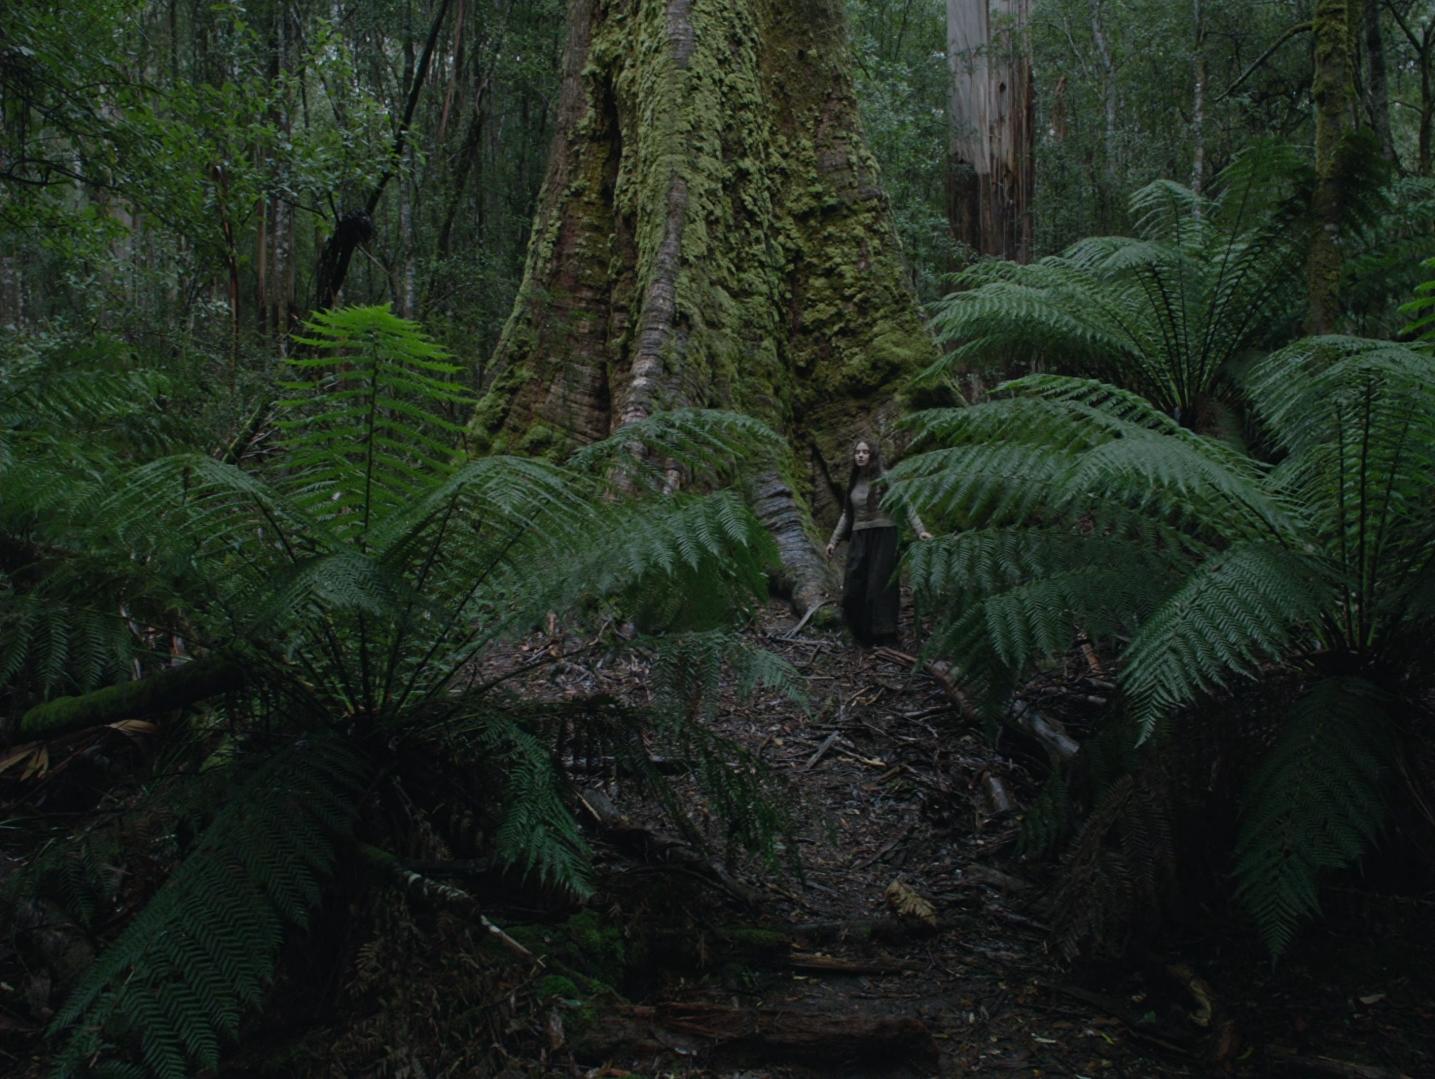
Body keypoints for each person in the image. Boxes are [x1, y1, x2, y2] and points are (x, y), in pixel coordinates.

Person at [824, 439, 931, 646]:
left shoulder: (886, 478)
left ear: (873, 455)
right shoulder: (854, 481)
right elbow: (847, 513)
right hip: (860, 536)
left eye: (865, 452)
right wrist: (833, 542)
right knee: (855, 582)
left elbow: (906, 505)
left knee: (880, 584)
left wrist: (921, 531)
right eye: (857, 452)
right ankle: (861, 633)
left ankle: (885, 633)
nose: (861, 455)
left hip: (885, 535)